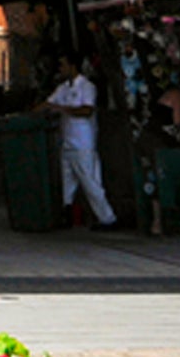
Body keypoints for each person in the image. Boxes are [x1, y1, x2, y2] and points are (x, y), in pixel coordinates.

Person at [45, 54, 117, 229]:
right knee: (67, 184)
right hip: (67, 142)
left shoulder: (87, 87)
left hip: (83, 143)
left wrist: (62, 109)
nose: (60, 69)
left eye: (63, 65)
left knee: (90, 182)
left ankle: (108, 218)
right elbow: (48, 104)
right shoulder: (63, 88)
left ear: (73, 66)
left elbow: (87, 111)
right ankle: (67, 215)